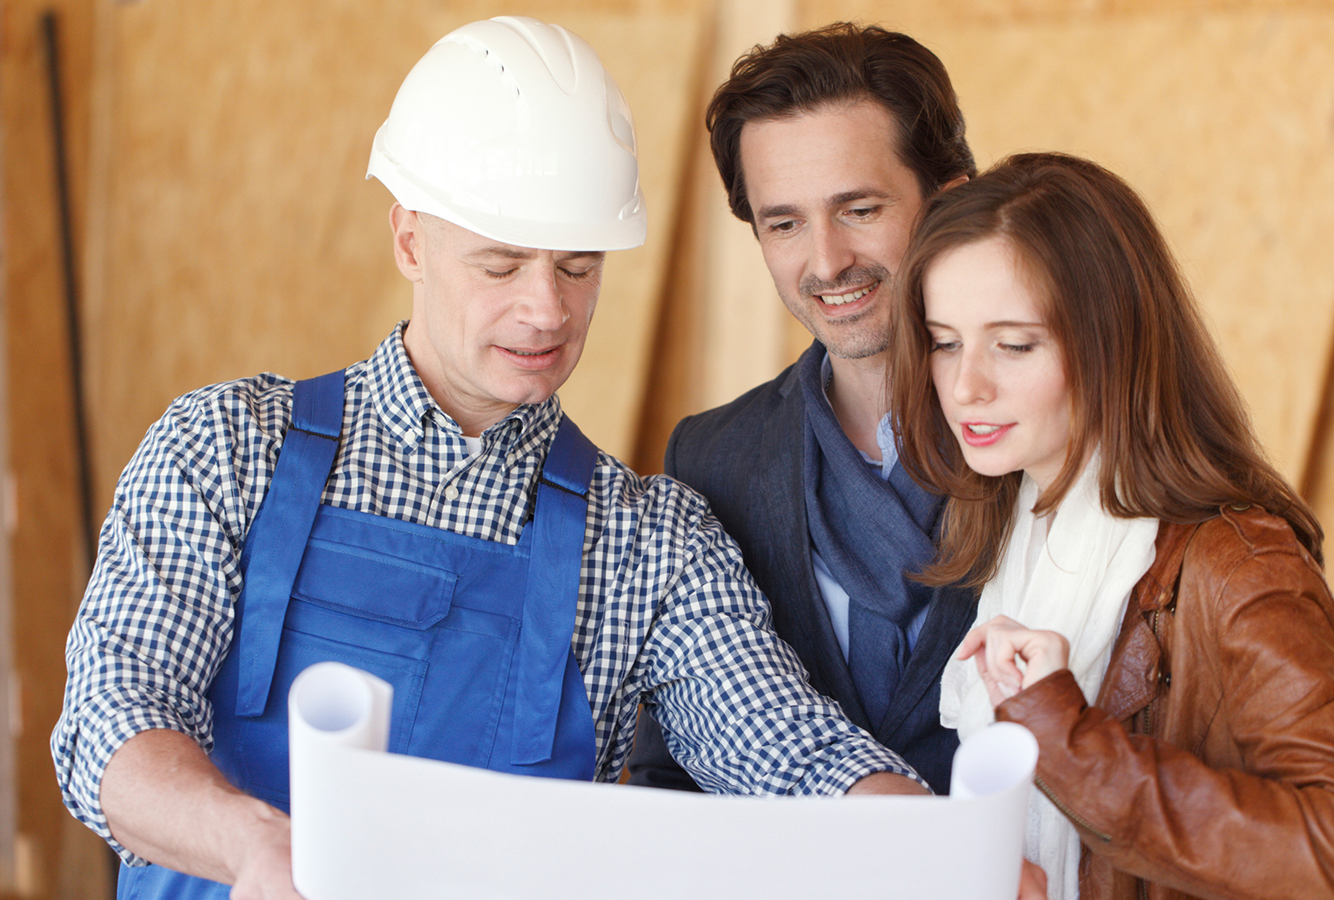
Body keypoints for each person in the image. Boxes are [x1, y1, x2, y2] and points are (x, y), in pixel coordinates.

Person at [50, 17, 928, 900]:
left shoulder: (646, 541)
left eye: (577, 268)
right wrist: (253, 848)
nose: (546, 310)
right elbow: (111, 716)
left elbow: (782, 747)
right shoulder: (227, 448)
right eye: (501, 266)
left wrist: (944, 856)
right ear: (409, 243)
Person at [886, 151, 1334, 900]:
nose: (967, 385)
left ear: (1112, 343)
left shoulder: (1239, 564)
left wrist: (1066, 737)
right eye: (945, 341)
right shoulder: (1012, 521)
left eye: (1014, 344)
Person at [628, 22, 982, 796]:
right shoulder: (712, 459)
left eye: (858, 209)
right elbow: (671, 773)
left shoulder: (1058, 438)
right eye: (783, 223)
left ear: (950, 205)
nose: (825, 262)